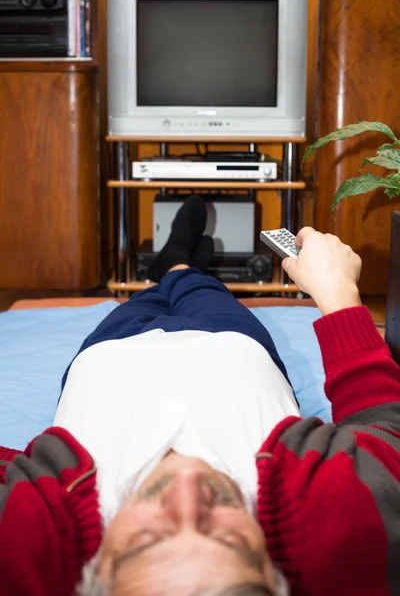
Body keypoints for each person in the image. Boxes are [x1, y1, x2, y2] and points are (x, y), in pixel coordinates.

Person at [1, 195, 400, 596]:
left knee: (146, 297)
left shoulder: (25, 544)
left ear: (93, 573)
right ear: (273, 572)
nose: (189, 482)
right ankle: (184, 267)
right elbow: (384, 426)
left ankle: (171, 264)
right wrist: (338, 292)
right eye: (229, 539)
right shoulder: (345, 530)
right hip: (230, 340)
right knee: (204, 289)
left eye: (147, 539)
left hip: (110, 349)